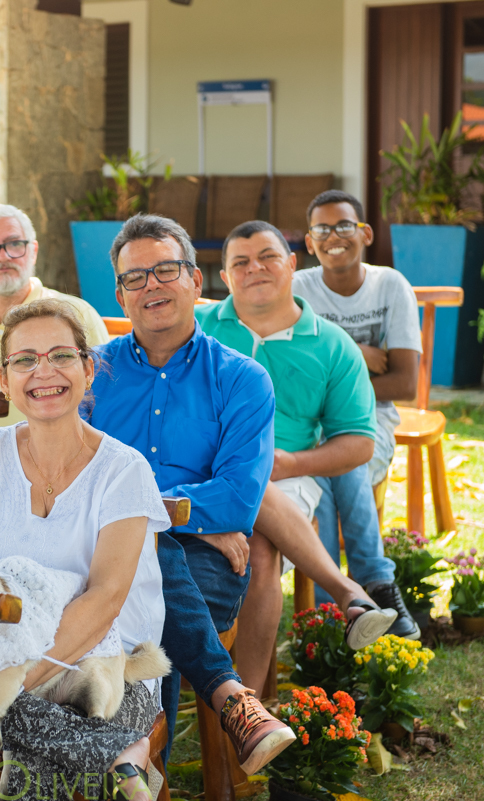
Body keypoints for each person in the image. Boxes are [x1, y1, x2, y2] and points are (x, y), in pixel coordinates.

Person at [0, 299, 293, 801]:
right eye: (24, 360)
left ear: (89, 370)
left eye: (60, 356)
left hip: (101, 652)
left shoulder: (124, 469)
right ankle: (120, 760)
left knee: (75, 692)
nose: (42, 371)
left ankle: (99, 750)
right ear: (4, 381)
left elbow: (105, 601)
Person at [88, 214, 396, 734]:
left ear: (195, 281)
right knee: (120, 606)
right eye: (135, 278)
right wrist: (186, 512)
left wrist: (140, 509)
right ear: (120, 296)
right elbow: (71, 483)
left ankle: (142, 766)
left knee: (147, 610)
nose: (152, 286)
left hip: (202, 555)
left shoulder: (242, 378)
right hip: (99, 547)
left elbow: (235, 501)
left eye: (166, 270)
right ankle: (229, 719)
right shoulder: (91, 373)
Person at [198, 219, 419, 639]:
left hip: (287, 479)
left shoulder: (333, 344)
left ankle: (250, 699)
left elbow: (358, 445)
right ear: (225, 277)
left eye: (268, 257)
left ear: (293, 264)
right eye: (241, 262)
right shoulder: (197, 331)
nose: (255, 269)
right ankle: (346, 590)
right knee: (244, 475)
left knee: (260, 554)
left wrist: (291, 461)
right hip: (197, 472)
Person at [293, 191, 422, 616]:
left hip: (369, 418)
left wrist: (331, 370)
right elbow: (289, 370)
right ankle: (373, 585)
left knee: (341, 459)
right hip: (309, 424)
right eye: (322, 229)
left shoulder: (390, 286)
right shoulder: (296, 290)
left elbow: (403, 382)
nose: (335, 236)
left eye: (344, 225)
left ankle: (333, 614)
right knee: (330, 466)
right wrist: (354, 354)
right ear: (309, 243)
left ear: (364, 233)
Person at [0, 202, 109, 427]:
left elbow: (107, 402)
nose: (2, 256)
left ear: (33, 251)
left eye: (14, 244)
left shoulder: (78, 315)